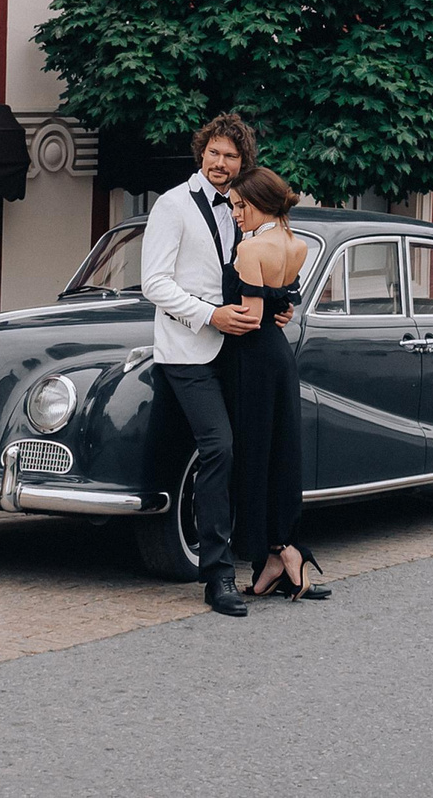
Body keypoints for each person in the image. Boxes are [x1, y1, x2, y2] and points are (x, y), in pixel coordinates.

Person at [138, 113, 261, 617]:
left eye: (230, 155)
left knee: (253, 447)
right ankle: (218, 576)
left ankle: (270, 554)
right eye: (214, 152)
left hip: (240, 348)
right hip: (188, 351)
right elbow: (155, 283)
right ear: (201, 153)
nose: (220, 162)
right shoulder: (172, 205)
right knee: (219, 448)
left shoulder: (243, 206)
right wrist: (210, 315)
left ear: (241, 162)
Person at [222, 165, 327, 602]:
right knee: (279, 454)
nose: (235, 215)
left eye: (239, 206)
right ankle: (278, 555)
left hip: (251, 358)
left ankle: (284, 552)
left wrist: (210, 314)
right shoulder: (297, 245)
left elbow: (248, 317)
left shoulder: (251, 249)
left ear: (258, 202)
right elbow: (278, 307)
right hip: (280, 357)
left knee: (252, 457)